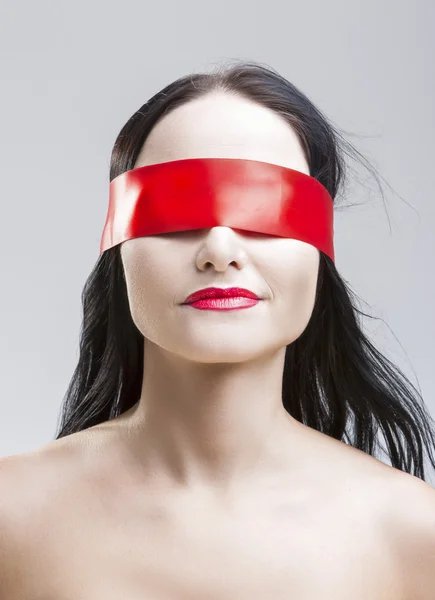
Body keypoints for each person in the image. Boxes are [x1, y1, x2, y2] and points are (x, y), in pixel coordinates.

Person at [1, 61, 435, 599]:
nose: (220, 251)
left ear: (321, 252)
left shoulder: (414, 535)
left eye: (267, 208)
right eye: (175, 209)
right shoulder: (10, 517)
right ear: (117, 247)